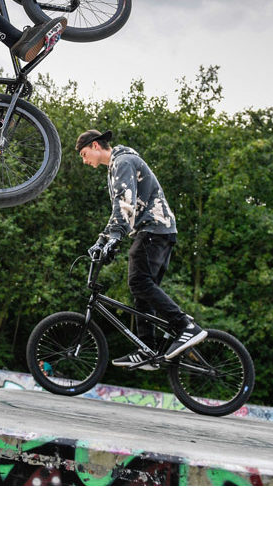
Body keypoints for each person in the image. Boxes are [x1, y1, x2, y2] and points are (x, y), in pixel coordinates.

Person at [75, 129, 207, 368]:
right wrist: (103, 240)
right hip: (156, 231)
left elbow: (125, 203)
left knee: (139, 282)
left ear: (95, 146)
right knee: (142, 289)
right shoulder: (117, 165)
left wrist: (114, 237)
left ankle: (185, 326)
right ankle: (147, 348)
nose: (84, 161)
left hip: (154, 230)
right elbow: (120, 209)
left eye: (84, 154)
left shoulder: (123, 162)